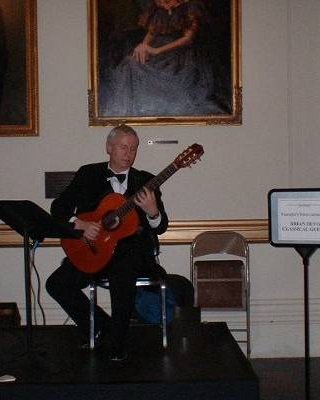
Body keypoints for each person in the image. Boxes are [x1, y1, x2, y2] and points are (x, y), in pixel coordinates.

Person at [46, 124, 169, 361]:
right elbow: (58, 208)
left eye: (134, 149)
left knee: (123, 267)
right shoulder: (87, 174)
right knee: (56, 284)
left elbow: (161, 226)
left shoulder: (146, 181)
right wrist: (80, 224)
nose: (129, 154)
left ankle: (118, 342)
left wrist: (153, 212)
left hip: (133, 255)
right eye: (124, 147)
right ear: (109, 147)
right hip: (94, 251)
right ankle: (103, 327)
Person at [99, 0, 228, 117]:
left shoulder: (190, 7)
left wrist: (156, 51)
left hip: (179, 56)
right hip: (157, 50)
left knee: (144, 69)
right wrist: (143, 45)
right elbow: (152, 32)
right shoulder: (158, 6)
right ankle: (125, 112)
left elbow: (188, 39)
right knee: (130, 63)